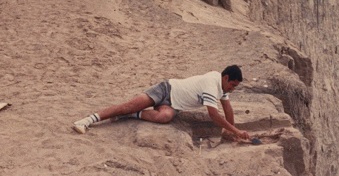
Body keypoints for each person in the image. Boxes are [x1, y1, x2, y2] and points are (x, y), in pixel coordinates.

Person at [72, 65, 251, 140]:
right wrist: (236, 131)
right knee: (128, 105)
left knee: (164, 116)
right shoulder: (212, 82)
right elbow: (213, 114)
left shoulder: (222, 86)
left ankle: (131, 115)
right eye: (232, 85)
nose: (232, 89)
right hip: (167, 89)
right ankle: (88, 120)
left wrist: (231, 131)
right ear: (226, 77)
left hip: (173, 105)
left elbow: (227, 108)